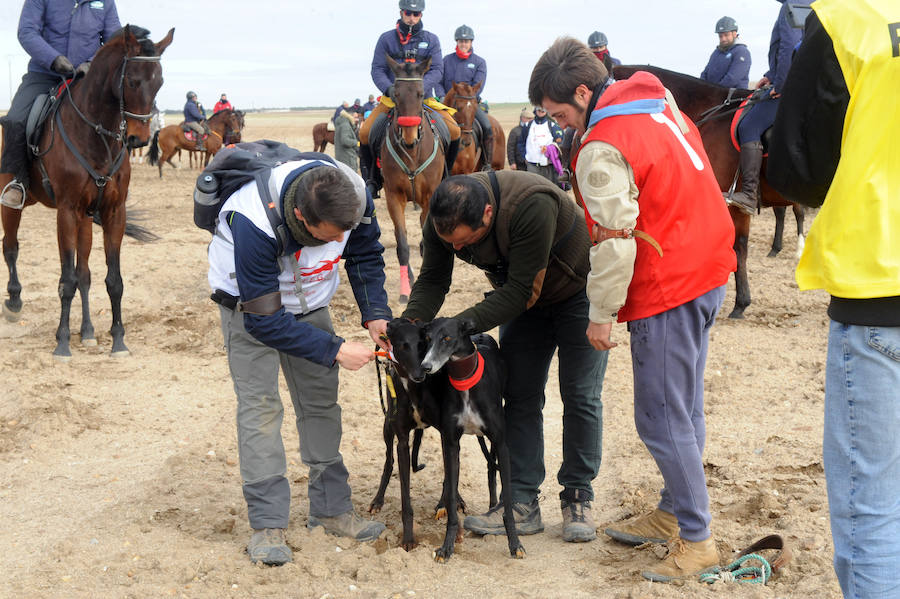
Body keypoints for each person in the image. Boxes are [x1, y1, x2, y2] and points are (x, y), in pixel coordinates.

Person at [529, 37, 736, 582]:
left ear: (581, 91)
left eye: (560, 114)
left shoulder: (601, 145)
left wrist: (601, 313)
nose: (562, 126)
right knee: (684, 405)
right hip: (710, 261)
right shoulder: (655, 98)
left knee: (661, 417)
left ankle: (698, 540)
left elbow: (616, 239)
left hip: (669, 279)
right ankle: (673, 512)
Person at [766, 2, 900, 596]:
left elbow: (801, 170)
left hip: (880, 289)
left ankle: (743, 192)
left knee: (871, 511)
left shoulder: (849, 17)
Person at [402, 170, 609, 544]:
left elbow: (519, 291)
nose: (460, 249)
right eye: (453, 245)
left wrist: (457, 328)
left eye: (468, 243)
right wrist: (410, 328)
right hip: (520, 303)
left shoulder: (531, 204)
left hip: (578, 295)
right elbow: (434, 278)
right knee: (519, 396)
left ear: (486, 214)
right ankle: (521, 501)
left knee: (580, 395)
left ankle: (578, 495)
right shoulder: (441, 219)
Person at [207, 151, 392, 566]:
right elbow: (265, 323)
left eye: (336, 238)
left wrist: (375, 313)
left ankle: (331, 511)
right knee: (260, 409)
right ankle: (268, 524)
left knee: (321, 404)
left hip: (310, 304)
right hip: (248, 310)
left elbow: (364, 253)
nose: (329, 246)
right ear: (298, 216)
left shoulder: (355, 198)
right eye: (322, 238)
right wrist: (335, 349)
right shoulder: (251, 219)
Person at [0, 0, 121, 209]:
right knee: (15, 119)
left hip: (86, 78)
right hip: (44, 74)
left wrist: (92, 62)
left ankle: (112, 183)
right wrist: (53, 59)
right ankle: (18, 181)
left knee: (117, 115)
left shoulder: (105, 2)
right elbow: (27, 31)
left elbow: (114, 40)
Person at [358, 0, 460, 198]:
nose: (411, 17)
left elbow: (438, 69)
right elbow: (377, 69)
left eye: (416, 14)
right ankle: (373, 180)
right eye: (408, 13)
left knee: (454, 130)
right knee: (364, 132)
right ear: (401, 12)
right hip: (393, 99)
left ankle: (445, 176)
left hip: (424, 99)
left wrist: (420, 89)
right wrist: (390, 89)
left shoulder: (432, 40)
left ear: (421, 15)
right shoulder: (386, 39)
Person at [725, 0, 804, 215]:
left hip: (794, 87)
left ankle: (749, 193)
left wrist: (781, 84)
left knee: (749, 125)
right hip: (807, 81)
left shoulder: (792, 5)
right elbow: (800, 48)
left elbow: (789, 46)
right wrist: (771, 76)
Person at [437, 24, 494, 170]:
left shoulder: (479, 62)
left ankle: (486, 163)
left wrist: (469, 99)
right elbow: (438, 81)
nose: (464, 44)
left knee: (487, 127)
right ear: (457, 42)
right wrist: (442, 97)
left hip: (469, 105)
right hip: (447, 105)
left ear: (471, 43)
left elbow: (478, 86)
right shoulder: (446, 61)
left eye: (466, 41)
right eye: (461, 41)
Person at [700, 16, 752, 89]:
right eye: (720, 36)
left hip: (734, 97)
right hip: (712, 95)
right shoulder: (716, 52)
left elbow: (732, 78)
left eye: (726, 35)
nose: (723, 39)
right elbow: (705, 73)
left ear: (734, 33)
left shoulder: (742, 52)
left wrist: (714, 91)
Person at [516, 106, 563, 184]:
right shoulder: (527, 125)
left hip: (547, 165)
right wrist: (525, 156)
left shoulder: (553, 126)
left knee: (548, 187)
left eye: (543, 109)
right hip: (532, 164)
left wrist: (549, 149)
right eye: (539, 109)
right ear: (535, 110)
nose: (541, 111)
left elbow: (560, 143)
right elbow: (521, 143)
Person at [506, 107, 533, 171]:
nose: (531, 120)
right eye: (529, 118)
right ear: (522, 118)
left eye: (532, 119)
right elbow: (510, 148)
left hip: (532, 163)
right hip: (519, 164)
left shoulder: (534, 130)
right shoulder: (515, 131)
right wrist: (512, 162)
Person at [333, 106, 359, 172]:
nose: (357, 119)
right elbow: (345, 141)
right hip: (347, 158)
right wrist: (357, 143)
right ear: (350, 116)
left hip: (342, 157)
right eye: (355, 117)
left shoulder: (342, 123)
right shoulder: (345, 125)